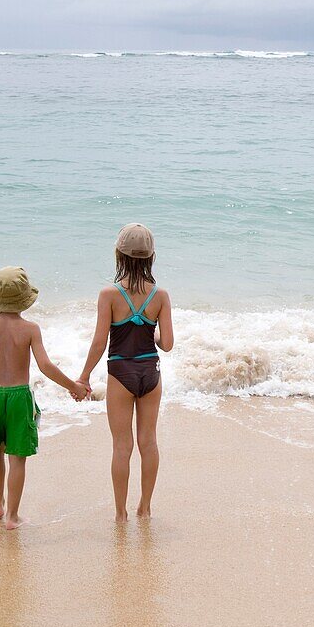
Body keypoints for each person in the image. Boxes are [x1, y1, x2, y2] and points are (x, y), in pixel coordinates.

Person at [0, 266, 89, 530]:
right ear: (24, 298)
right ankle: (12, 516)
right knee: (17, 458)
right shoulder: (30, 329)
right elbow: (45, 365)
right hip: (19, 397)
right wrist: (73, 386)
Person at [77, 224, 174, 522]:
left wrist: (83, 377)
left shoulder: (109, 295)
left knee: (122, 446)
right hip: (150, 373)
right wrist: (152, 335)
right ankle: (145, 507)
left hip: (120, 374)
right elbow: (167, 344)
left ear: (118, 254)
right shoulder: (160, 295)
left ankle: (121, 513)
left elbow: (99, 342)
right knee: (149, 442)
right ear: (151, 257)